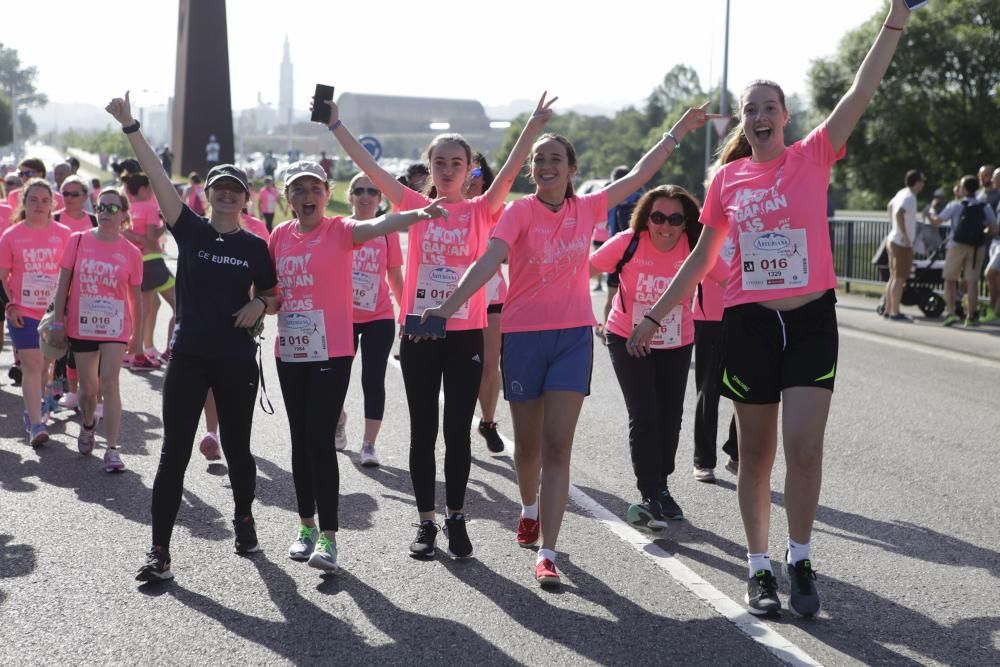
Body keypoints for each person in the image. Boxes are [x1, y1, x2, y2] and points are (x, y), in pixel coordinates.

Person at [629, 0, 917, 617]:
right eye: (750, 109)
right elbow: (702, 259)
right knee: (755, 456)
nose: (760, 116)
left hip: (811, 320)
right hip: (751, 326)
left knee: (805, 448)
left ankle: (801, 555)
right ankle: (758, 566)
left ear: (785, 117)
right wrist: (654, 317)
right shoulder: (726, 182)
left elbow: (863, 87)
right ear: (744, 122)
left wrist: (894, 17)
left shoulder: (813, 155)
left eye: (769, 107)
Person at [422, 103, 717, 585]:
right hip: (522, 337)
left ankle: (549, 552)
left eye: (555, 159)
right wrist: (448, 304)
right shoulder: (518, 212)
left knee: (558, 447)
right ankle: (529, 505)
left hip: (573, 339)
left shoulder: (590, 208)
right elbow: (487, 261)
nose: (546, 167)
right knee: (530, 449)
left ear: (571, 168)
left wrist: (678, 131)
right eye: (539, 160)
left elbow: (642, 173)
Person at [323, 92, 557, 561]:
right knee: (423, 430)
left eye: (457, 162)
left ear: (469, 169)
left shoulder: (481, 210)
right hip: (418, 333)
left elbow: (510, 171)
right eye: (440, 162)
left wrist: (531, 125)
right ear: (429, 168)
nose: (448, 169)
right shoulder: (413, 204)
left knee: (455, 431)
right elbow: (371, 169)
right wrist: (335, 126)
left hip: (465, 333)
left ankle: (455, 516)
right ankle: (426, 521)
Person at [107, 92, 280, 583]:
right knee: (174, 453)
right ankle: (159, 550)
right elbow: (159, 179)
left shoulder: (255, 246)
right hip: (188, 358)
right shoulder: (191, 230)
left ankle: (243, 518)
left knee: (240, 449)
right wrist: (131, 127)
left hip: (235, 362)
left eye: (235, 190)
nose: (226, 195)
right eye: (219, 189)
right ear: (208, 196)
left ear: (246, 199)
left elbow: (273, 294)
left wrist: (259, 304)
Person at [272, 161, 447, 572]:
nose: (308, 194)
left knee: (318, 440)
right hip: (290, 351)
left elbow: (380, 227)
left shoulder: (340, 230)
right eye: (298, 189)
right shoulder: (279, 236)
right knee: (300, 441)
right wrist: (259, 303)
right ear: (289, 199)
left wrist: (419, 213)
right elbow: (271, 289)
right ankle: (305, 527)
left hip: (330, 351)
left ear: (327, 193)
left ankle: (329, 539)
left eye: (315, 187)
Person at [591, 185, 727, 528]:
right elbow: (583, 269)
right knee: (645, 414)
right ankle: (650, 493)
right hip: (628, 338)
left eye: (675, 218)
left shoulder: (695, 249)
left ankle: (662, 486)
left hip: (677, 342)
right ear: (646, 218)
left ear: (687, 223)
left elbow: (733, 279)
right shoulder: (628, 242)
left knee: (670, 419)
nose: (665, 225)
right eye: (658, 217)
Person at [49, 187, 143, 472]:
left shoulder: (131, 252)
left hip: (114, 327)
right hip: (82, 324)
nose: (105, 213)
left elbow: (135, 297)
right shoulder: (77, 241)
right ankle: (88, 424)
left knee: (110, 383)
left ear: (124, 215)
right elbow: (63, 284)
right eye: (102, 207)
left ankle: (112, 449)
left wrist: (137, 337)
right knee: (88, 391)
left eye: (113, 208)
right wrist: (57, 321)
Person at [0, 178, 72, 445]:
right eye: (34, 200)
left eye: (45, 200)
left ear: (53, 204)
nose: (39, 205)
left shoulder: (65, 234)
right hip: (24, 311)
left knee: (44, 366)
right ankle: (36, 424)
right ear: (24, 203)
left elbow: (72, 273)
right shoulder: (12, 235)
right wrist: (10, 305)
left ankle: (34, 409)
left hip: (54, 313)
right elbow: (1, 276)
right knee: (31, 363)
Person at [341, 173, 405, 466]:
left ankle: (369, 444)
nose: (365, 196)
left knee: (373, 378)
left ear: (380, 199)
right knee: (336, 378)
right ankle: (338, 419)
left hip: (378, 315)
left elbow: (394, 275)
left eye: (372, 191)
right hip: (342, 316)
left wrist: (406, 313)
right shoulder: (338, 228)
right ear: (350, 196)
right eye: (359, 191)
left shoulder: (387, 230)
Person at [466, 153, 505, 454]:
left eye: (477, 171)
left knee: (490, 365)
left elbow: (509, 251)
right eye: (466, 170)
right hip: (453, 299)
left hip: (492, 295)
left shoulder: (498, 210)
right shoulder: (443, 207)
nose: (471, 177)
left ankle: (488, 422)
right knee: (462, 367)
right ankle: (460, 421)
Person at [120, 172, 176, 367]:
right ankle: (170, 350)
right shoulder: (150, 207)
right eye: (150, 188)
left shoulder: (129, 209)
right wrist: (166, 225)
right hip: (152, 261)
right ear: (143, 189)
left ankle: (138, 351)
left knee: (143, 309)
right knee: (181, 304)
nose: (153, 192)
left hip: (136, 261)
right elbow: (152, 239)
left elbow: (127, 234)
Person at [926, 175, 997, 327]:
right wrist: (981, 233)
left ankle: (951, 313)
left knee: (950, 280)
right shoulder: (985, 207)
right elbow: (994, 228)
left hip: (956, 245)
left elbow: (937, 221)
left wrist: (929, 213)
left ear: (963, 189)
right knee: (972, 282)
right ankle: (970, 317)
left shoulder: (955, 205)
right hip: (977, 246)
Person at [600, 166, 644, 336]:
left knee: (611, 294)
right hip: (636, 253)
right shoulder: (640, 198)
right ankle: (633, 332)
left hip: (614, 251)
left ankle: (606, 330)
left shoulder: (610, 199)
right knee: (634, 297)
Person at [884, 169, 925, 321]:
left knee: (893, 277)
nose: (923, 184)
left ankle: (889, 310)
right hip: (901, 242)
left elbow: (890, 206)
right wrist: (905, 235)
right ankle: (895, 312)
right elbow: (898, 213)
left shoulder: (902, 192)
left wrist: (894, 227)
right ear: (917, 182)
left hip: (893, 239)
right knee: (900, 278)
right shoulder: (910, 197)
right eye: (922, 181)